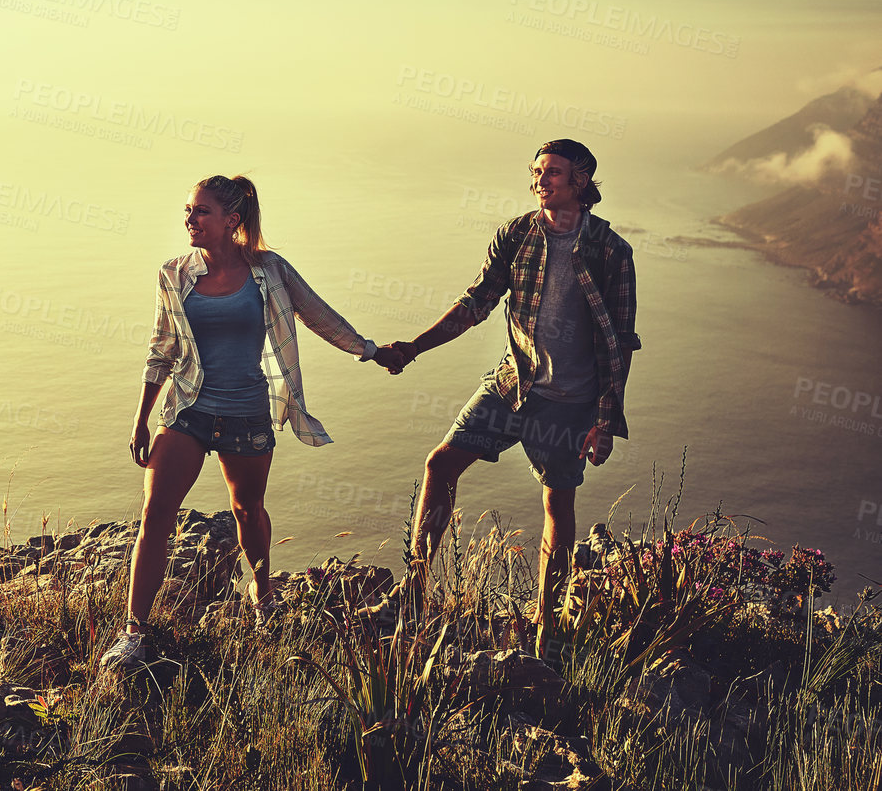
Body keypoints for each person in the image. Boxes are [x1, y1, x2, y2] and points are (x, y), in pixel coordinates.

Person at [99, 174, 404, 669]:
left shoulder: (268, 270)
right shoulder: (173, 273)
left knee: (248, 512)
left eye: (200, 212)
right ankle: (133, 631)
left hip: (246, 412)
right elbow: (162, 348)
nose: (189, 219)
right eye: (188, 210)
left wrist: (370, 351)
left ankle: (262, 597)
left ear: (231, 220)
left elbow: (317, 314)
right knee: (154, 516)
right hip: (187, 409)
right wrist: (141, 418)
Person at [373, 139, 640, 659]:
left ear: (581, 181)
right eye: (537, 171)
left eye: (554, 173)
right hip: (511, 384)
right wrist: (414, 348)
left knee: (557, 501)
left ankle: (548, 622)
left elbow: (620, 342)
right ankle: (416, 592)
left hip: (570, 403)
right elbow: (475, 302)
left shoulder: (612, 251)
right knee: (440, 464)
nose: (541, 180)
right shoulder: (517, 234)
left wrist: (603, 422)